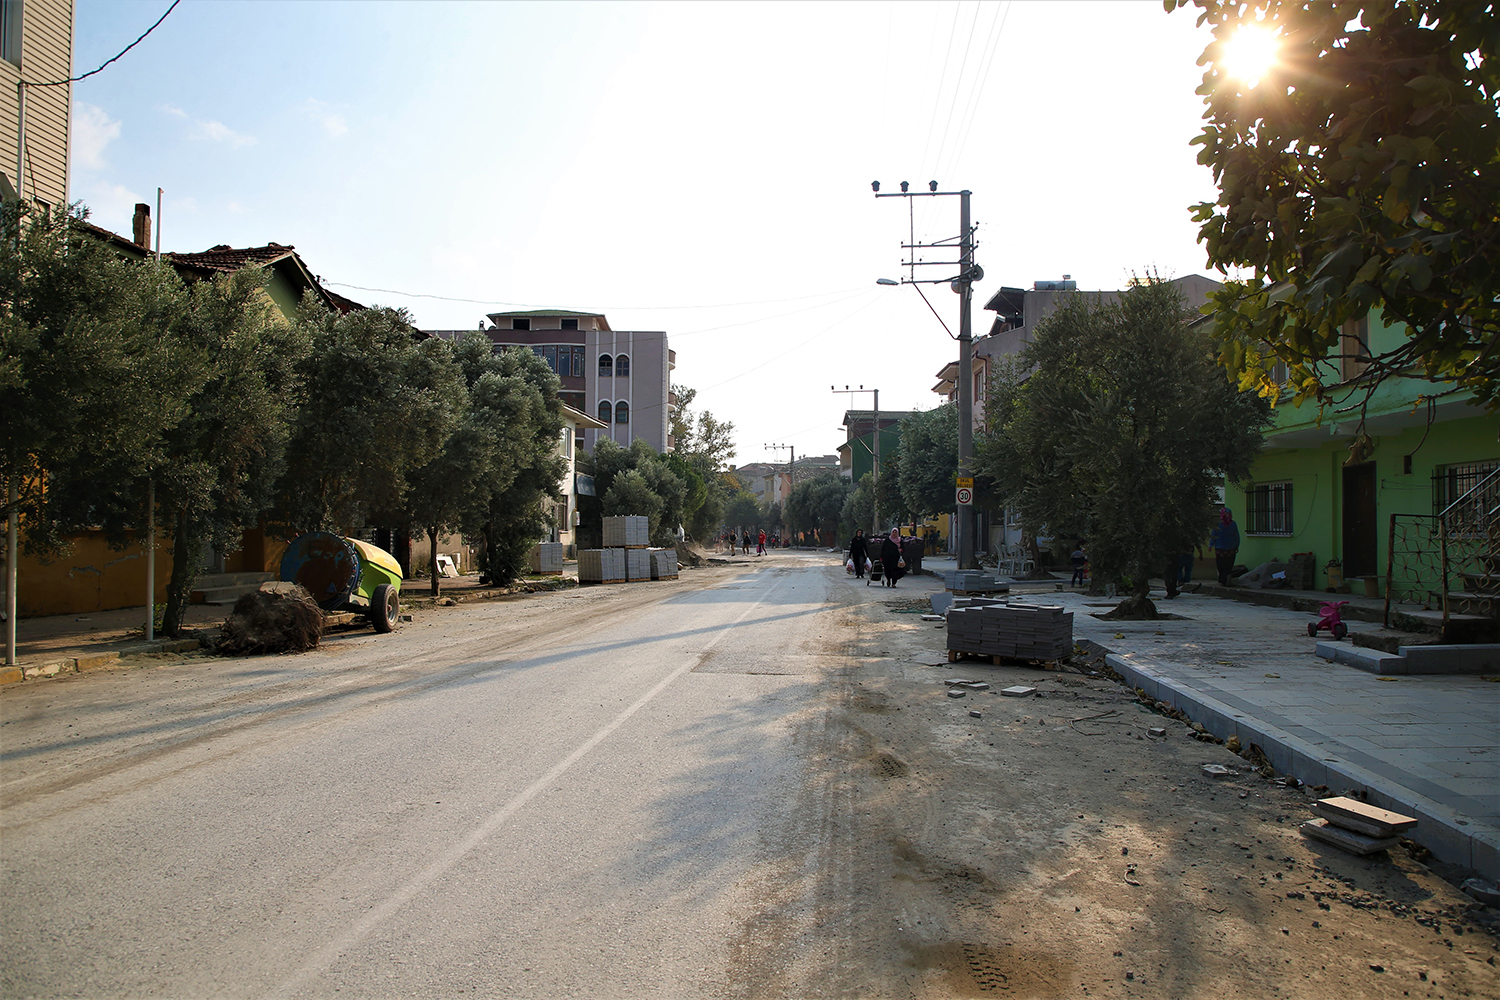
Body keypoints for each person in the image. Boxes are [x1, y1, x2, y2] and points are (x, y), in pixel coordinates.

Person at [1211, 507, 1241, 586]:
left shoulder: (1218, 524)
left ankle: (1221, 580)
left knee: (1221, 566)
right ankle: (1226, 580)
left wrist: (1211, 545)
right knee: (1228, 566)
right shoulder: (1233, 524)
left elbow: (1213, 535)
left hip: (1220, 549)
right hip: (1231, 549)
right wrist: (1236, 545)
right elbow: (1236, 536)